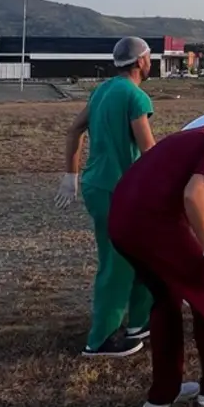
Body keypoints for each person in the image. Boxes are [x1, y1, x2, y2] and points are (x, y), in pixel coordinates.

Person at [108, 102, 204, 407]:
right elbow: (192, 194)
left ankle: (163, 392)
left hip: (121, 223)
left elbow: (173, 188)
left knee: (166, 298)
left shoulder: (190, 136)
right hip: (153, 225)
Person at [54, 36, 158, 358]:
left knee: (145, 256)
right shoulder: (135, 96)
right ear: (141, 61)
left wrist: (71, 175)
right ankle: (100, 340)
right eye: (150, 57)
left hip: (99, 185)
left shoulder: (102, 91)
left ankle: (140, 322)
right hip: (120, 190)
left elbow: (74, 130)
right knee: (117, 262)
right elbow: (149, 152)